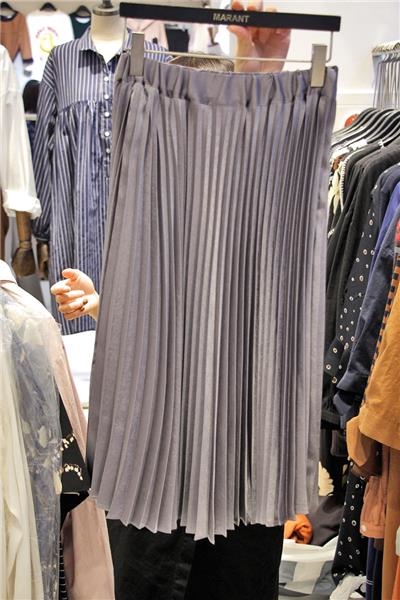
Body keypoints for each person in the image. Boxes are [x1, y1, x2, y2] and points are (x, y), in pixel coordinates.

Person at [50, 5, 292, 600]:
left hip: (230, 467)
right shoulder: (153, 205)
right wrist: (105, 305)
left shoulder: (255, 207)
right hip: (155, 478)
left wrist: (263, 69)